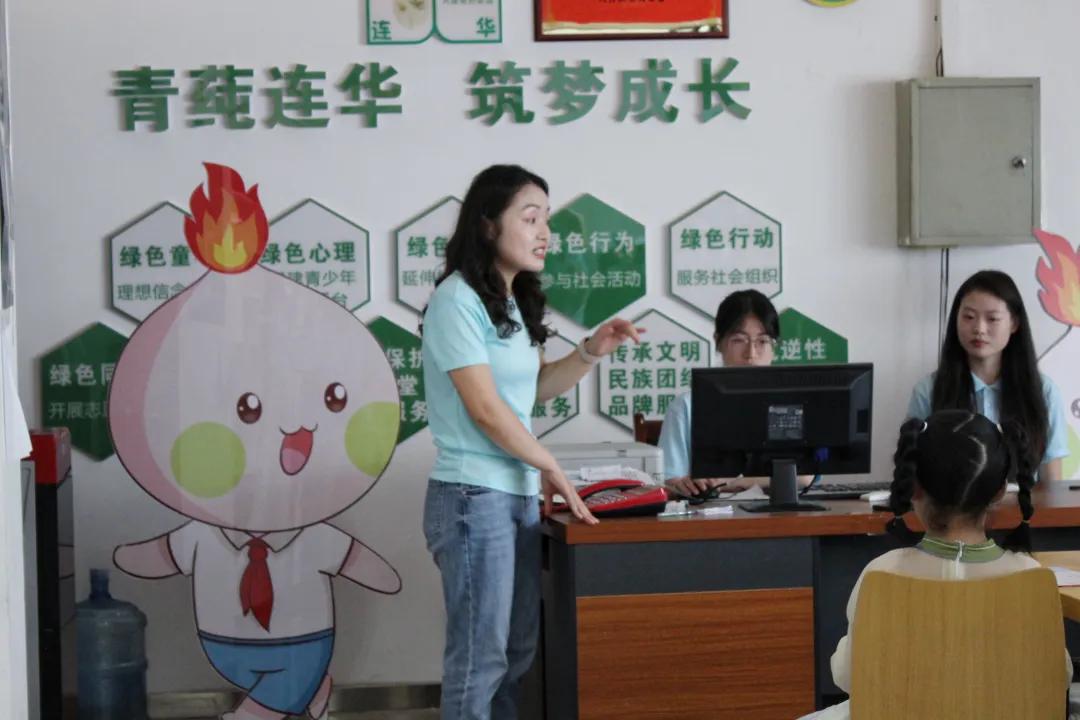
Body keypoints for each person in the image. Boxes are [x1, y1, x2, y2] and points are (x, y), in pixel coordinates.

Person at [420, 164, 640, 720]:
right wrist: (550, 465)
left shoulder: (512, 301)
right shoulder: (456, 300)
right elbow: (485, 410)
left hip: (513, 495)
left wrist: (590, 352)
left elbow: (532, 390)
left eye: (547, 220)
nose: (545, 233)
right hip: (472, 497)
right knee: (480, 659)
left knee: (516, 654)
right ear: (488, 224)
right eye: (531, 218)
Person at [803, 410, 1071, 720]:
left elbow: (848, 676)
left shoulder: (882, 573)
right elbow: (1058, 676)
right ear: (1000, 490)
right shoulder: (1030, 576)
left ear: (913, 486)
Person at [907, 270, 1069, 481]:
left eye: (992, 319)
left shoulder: (1044, 392)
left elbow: (1052, 482)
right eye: (969, 317)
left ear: (1014, 323)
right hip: (950, 503)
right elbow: (913, 474)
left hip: (1025, 503)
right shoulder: (928, 391)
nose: (979, 329)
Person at [658, 289, 810, 496]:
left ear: (774, 347)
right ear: (718, 341)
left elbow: (803, 477)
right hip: (710, 512)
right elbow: (671, 480)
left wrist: (731, 482)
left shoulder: (790, 405)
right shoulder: (686, 406)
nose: (751, 354)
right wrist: (684, 484)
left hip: (781, 511)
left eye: (762, 341)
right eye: (739, 340)